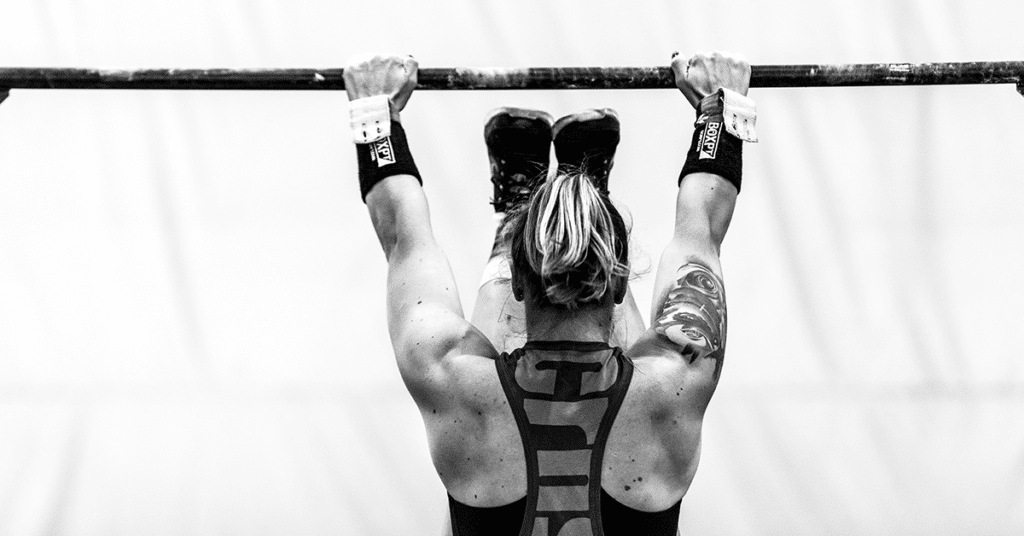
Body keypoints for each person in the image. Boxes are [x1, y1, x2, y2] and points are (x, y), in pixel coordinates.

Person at [344, 50, 754, 536]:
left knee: (486, 365)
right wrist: (720, 112)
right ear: (621, 281)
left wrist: (375, 114)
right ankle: (574, 196)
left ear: (517, 282)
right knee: (641, 361)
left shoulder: (451, 380)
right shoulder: (674, 383)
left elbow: (406, 242)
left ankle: (523, 213)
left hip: (496, 415)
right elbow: (700, 233)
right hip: (632, 410)